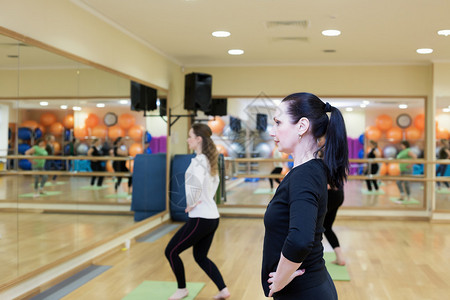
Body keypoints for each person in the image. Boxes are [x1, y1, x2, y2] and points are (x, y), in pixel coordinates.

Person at [262, 92, 348, 299]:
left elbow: (300, 240)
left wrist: (280, 279)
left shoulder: (305, 175)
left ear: (302, 126)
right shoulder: (311, 169)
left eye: (278, 123)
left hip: (303, 292)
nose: (272, 132)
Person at [165, 123, 230, 300]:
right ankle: (223, 290)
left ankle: (181, 289)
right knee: (200, 256)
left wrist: (192, 203)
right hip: (212, 217)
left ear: (198, 139)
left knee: (170, 251)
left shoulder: (200, 160)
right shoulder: (209, 160)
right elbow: (214, 186)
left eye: (190, 136)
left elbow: (198, 182)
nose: (188, 139)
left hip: (201, 217)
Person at [324, 186, 346, 266]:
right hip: (338, 194)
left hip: (330, 194)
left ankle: (311, 259)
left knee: (315, 227)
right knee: (327, 227)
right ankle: (340, 257)